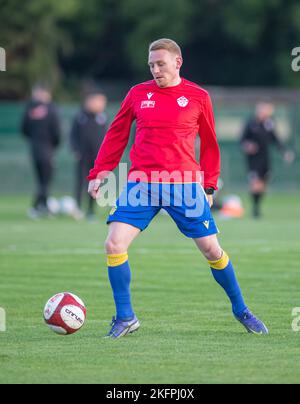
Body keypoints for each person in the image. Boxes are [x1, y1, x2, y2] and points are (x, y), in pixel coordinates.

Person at [88, 38, 269, 339]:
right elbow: (117, 134)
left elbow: (210, 144)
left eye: (160, 64)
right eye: (151, 65)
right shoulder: (137, 93)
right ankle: (125, 317)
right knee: (114, 244)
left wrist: (209, 185)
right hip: (141, 185)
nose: (155, 70)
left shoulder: (198, 97)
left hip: (184, 185)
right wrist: (100, 172)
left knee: (212, 250)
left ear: (177, 62)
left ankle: (241, 310)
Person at [241, 102, 294, 218]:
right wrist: (248, 145)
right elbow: (242, 140)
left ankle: (258, 206)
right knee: (256, 183)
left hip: (265, 158)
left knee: (263, 184)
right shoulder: (251, 124)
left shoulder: (269, 124)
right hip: (253, 159)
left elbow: (276, 139)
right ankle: (255, 209)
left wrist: (285, 152)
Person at [21, 85, 61, 218]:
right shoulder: (51, 109)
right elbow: (57, 132)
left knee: (41, 180)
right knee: (45, 181)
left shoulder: (30, 109)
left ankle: (43, 206)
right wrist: (53, 146)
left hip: (35, 149)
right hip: (47, 150)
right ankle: (36, 207)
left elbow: (24, 129)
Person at [70, 90, 108, 219]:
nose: (102, 104)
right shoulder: (80, 117)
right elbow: (73, 136)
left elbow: (107, 137)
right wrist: (75, 150)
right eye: (99, 101)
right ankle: (78, 208)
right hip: (82, 156)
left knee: (96, 183)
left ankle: (91, 211)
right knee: (80, 182)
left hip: (97, 158)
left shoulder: (102, 118)